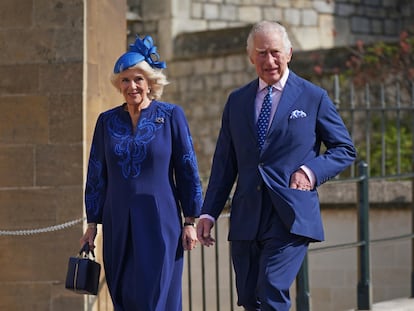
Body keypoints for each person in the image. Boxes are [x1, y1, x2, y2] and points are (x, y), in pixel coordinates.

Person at [197, 21, 356, 311]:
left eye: (275, 52)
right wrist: (208, 212)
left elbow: (344, 149)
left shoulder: (313, 97)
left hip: (289, 213)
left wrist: (309, 172)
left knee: (271, 288)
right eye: (261, 53)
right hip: (247, 214)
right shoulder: (237, 101)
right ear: (250, 57)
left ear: (289, 53)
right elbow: (224, 164)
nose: (269, 60)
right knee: (249, 297)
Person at [80, 34, 203, 311]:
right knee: (123, 291)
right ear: (118, 84)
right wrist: (92, 223)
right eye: (125, 79)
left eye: (138, 79)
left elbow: (187, 167)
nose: (132, 86)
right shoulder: (106, 121)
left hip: (160, 219)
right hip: (117, 219)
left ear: (150, 83)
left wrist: (190, 220)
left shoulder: (171, 115)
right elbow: (97, 173)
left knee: (156, 293)